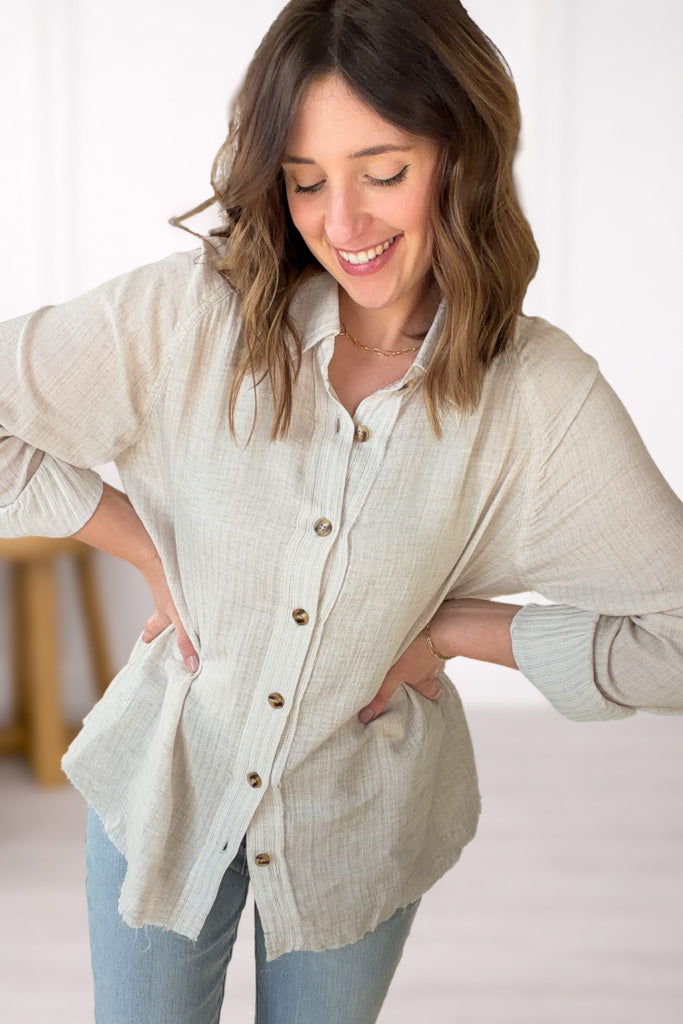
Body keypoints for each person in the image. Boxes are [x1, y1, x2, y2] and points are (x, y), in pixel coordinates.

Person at [1, 0, 681, 1020]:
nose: (343, 225)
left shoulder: (539, 397)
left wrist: (454, 629)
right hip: (164, 786)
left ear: (460, 155)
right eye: (306, 180)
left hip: (360, 826)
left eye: (384, 171)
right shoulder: (192, 315)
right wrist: (137, 541)